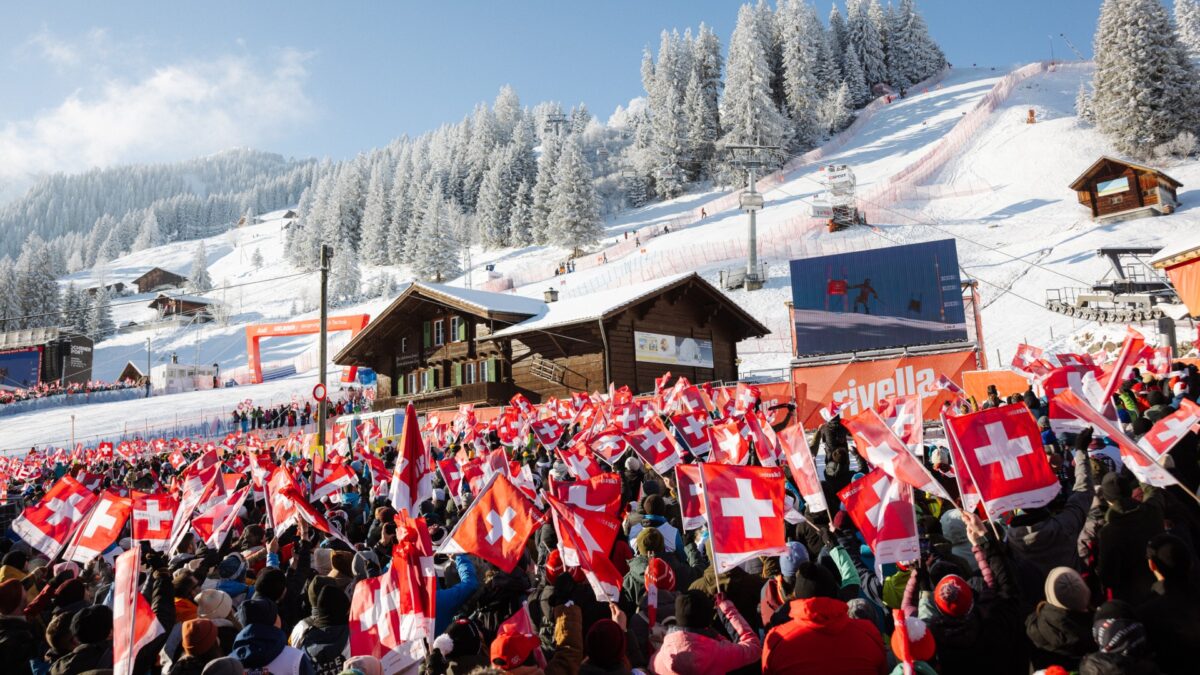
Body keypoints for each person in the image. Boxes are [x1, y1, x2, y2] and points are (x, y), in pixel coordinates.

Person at [651, 590, 760, 674]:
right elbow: (754, 648)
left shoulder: (657, 659)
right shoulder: (719, 652)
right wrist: (727, 608)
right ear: (707, 617)